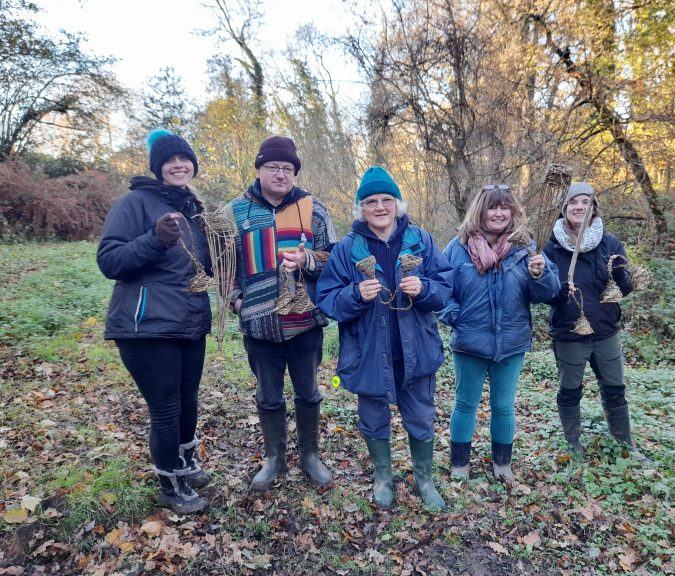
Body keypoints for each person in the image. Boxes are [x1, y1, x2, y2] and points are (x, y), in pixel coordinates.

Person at [316, 166, 452, 511]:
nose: (380, 207)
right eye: (371, 201)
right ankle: (383, 477)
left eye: (386, 200)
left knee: (421, 416)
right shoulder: (347, 249)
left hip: (416, 350)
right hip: (368, 353)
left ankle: (424, 478)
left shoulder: (421, 241)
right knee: (373, 418)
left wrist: (424, 289)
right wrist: (355, 294)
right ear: (360, 208)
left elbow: (447, 287)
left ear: (397, 204)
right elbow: (328, 300)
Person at [97, 129, 210, 514]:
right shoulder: (135, 203)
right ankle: (169, 483)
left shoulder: (195, 209)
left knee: (188, 400)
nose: (179, 165)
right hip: (146, 326)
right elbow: (110, 261)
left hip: (190, 322)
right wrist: (154, 239)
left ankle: (186, 461)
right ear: (158, 167)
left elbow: (200, 265)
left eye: (184, 159)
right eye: (170, 160)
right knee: (165, 407)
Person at [224, 135, 336, 492]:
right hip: (259, 325)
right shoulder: (234, 213)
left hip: (305, 324)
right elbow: (223, 269)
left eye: (287, 169)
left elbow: (333, 261)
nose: (281, 174)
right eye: (273, 167)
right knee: (268, 395)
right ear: (258, 169)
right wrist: (238, 304)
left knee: (309, 392)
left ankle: (310, 456)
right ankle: (274, 458)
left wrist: (308, 260)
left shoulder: (313, 209)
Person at [439, 184, 560, 482]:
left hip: (511, 342)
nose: (498, 213)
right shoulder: (458, 247)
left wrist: (540, 274)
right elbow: (439, 289)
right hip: (470, 342)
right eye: (492, 207)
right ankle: (459, 465)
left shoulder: (527, 246)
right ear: (480, 210)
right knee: (465, 403)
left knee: (503, 406)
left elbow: (549, 292)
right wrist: (457, 318)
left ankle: (502, 464)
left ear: (512, 211)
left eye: (504, 207)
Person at [543, 182, 644, 461]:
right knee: (570, 389)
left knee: (614, 388)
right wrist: (559, 292)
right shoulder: (551, 246)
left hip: (606, 331)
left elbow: (622, 288)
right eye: (573, 202)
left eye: (585, 201)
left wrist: (625, 281)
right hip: (569, 332)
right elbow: (539, 291)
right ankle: (573, 444)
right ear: (564, 209)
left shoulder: (609, 242)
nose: (579, 207)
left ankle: (626, 444)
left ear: (593, 208)